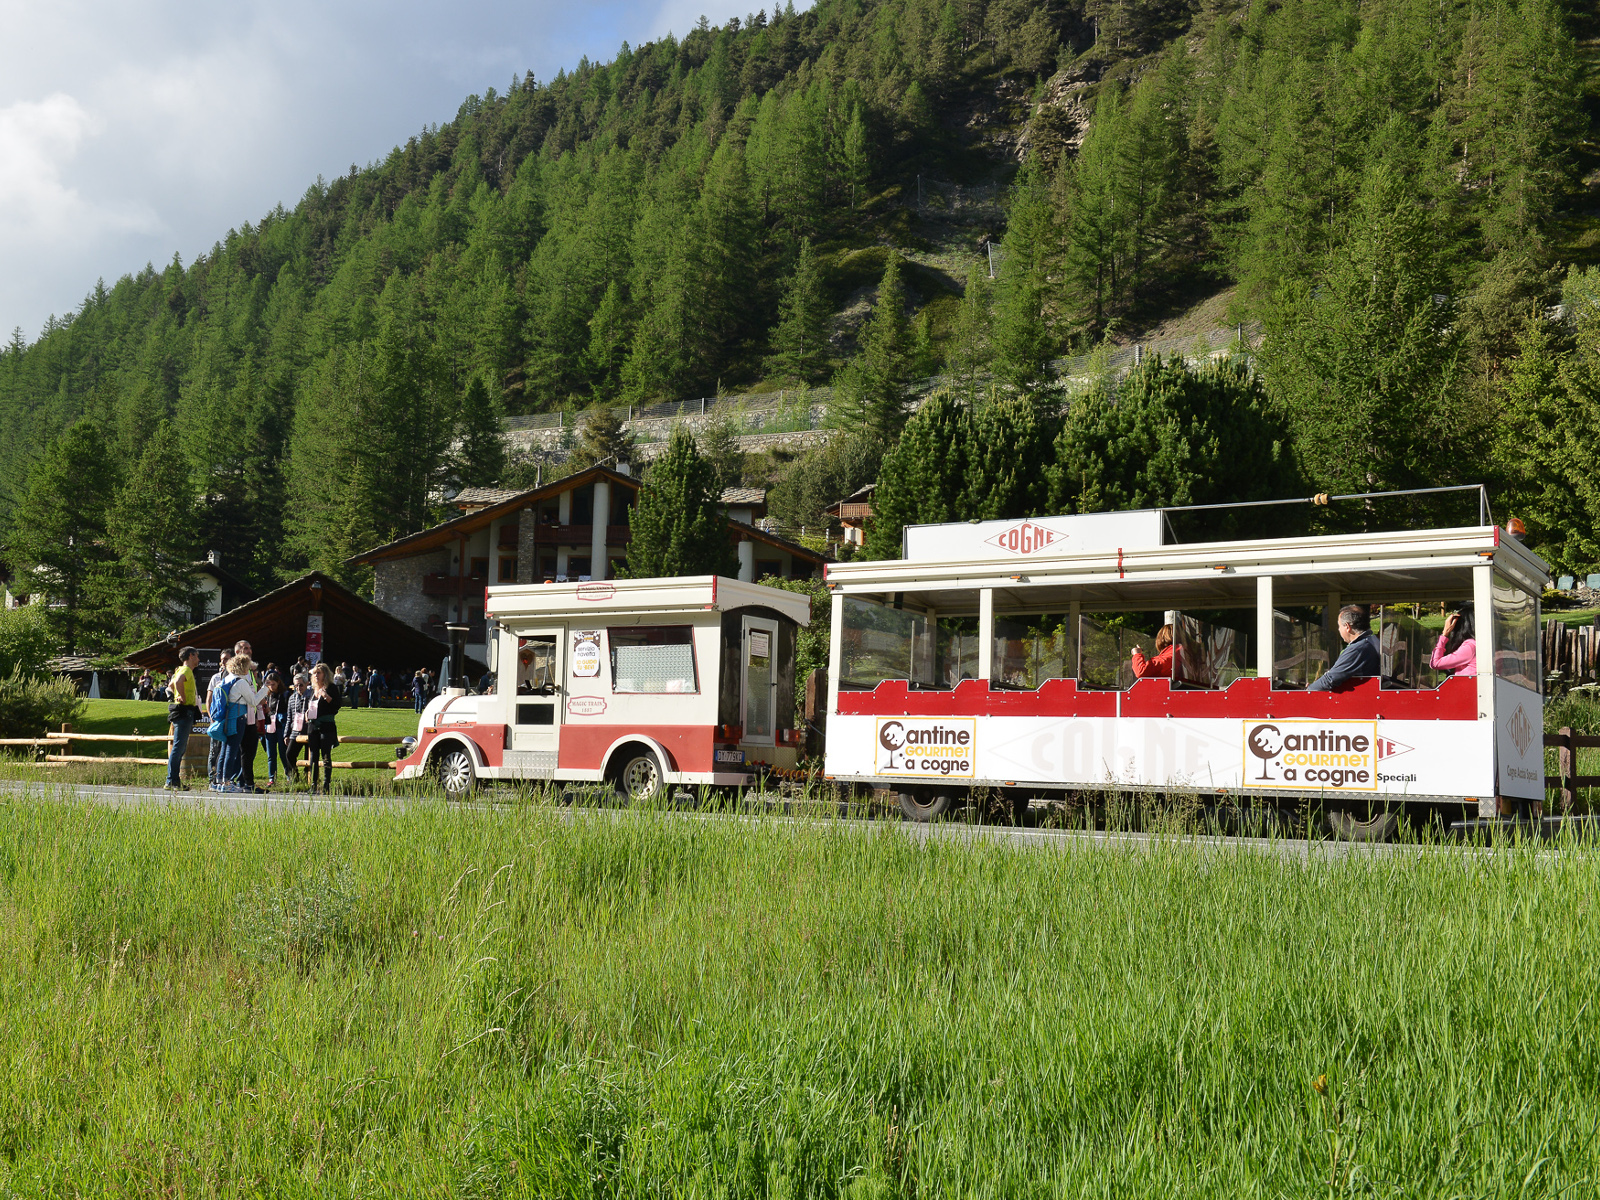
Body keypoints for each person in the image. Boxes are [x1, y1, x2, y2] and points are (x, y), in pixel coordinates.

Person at [1308, 605, 1381, 692]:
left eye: (1339, 626)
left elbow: (1331, 679)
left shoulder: (1358, 649)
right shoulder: (1370, 641)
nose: (1339, 630)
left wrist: (1308, 690)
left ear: (1347, 627)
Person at [164, 646, 201, 792]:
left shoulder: (180, 669)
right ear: (191, 656)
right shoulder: (185, 670)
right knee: (179, 747)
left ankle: (173, 780)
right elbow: (177, 682)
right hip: (184, 712)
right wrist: (183, 698)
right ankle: (172, 780)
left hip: (183, 712)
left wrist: (178, 694)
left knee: (179, 747)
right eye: (197, 656)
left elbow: (171, 684)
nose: (198, 659)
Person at [305, 662, 343, 795]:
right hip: (313, 726)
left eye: (318, 673)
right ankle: (313, 784)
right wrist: (306, 713)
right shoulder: (312, 689)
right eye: (314, 673)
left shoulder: (331, 687)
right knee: (313, 755)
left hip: (326, 726)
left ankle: (326, 784)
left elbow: (337, 706)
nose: (315, 675)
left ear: (325, 674)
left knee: (326, 755)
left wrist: (326, 696)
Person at [1430, 604, 1477, 677]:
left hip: (1467, 687)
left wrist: (1445, 634)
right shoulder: (1478, 645)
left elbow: (1435, 663)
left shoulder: (1470, 648)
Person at [260, 671, 289, 786]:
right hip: (269, 727)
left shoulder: (285, 694)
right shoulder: (267, 695)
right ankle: (272, 778)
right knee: (271, 754)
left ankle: (289, 775)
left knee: (283, 752)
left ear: (278, 683)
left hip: (281, 726)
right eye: (269, 684)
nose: (271, 687)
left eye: (273, 684)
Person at [284, 671, 313, 783]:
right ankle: (294, 778)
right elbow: (289, 718)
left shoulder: (312, 696)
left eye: (301, 685)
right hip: (296, 731)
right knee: (289, 754)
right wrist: (286, 734)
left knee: (309, 756)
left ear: (307, 684)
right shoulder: (292, 698)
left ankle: (309, 779)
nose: (298, 687)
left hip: (309, 731)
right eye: (296, 685)